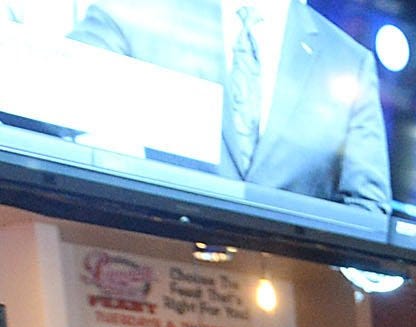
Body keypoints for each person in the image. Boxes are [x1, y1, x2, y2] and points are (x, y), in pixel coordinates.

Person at [71, 0, 391, 212]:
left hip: (284, 293)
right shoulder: (139, 12)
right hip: (136, 266)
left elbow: (369, 212)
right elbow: (44, 106)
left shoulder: (350, 62)